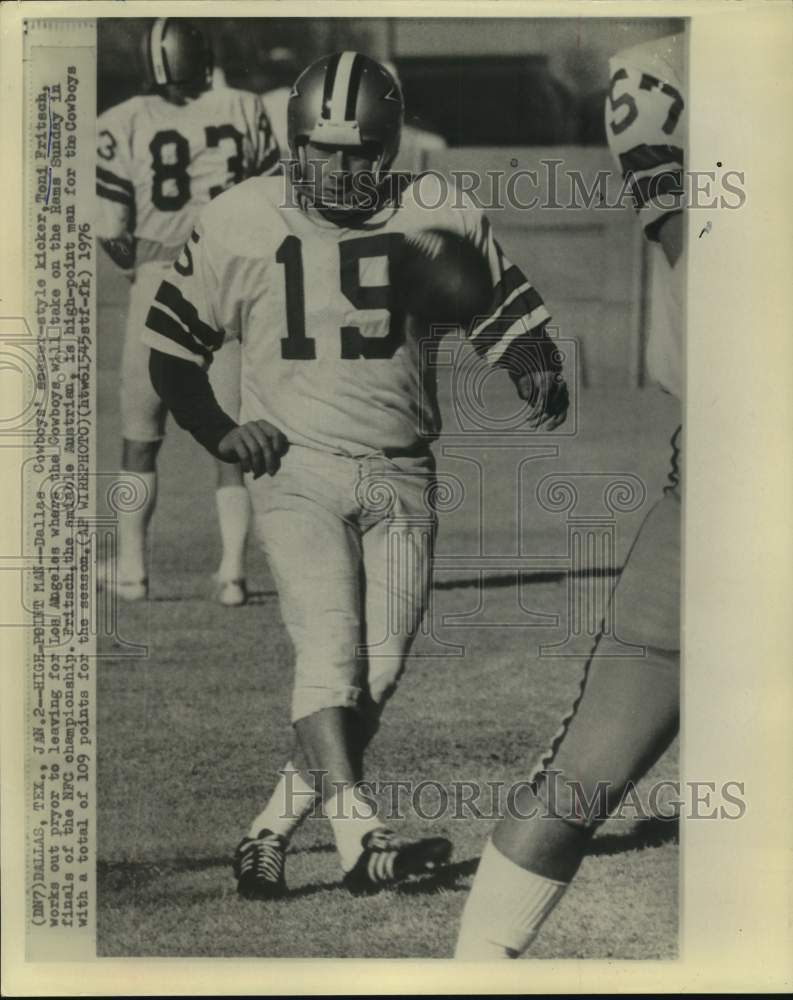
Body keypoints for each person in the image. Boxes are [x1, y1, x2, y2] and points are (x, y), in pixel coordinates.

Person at [143, 51, 568, 898]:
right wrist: (220, 431)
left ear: (390, 147)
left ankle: (268, 831)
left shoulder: (435, 206)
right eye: (323, 149)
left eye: (359, 151)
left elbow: (498, 307)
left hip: (401, 470)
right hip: (295, 466)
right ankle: (360, 842)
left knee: (376, 673)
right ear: (293, 143)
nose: (339, 169)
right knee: (329, 653)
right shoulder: (240, 216)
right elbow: (172, 349)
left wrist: (532, 363)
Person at [455, 31, 685, 958]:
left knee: (580, 773)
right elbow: (705, 256)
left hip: (718, 474)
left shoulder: (668, 68)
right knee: (584, 772)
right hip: (722, 475)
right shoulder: (665, 69)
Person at [95, 17, 281, 605]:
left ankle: (132, 570)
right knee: (229, 431)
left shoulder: (121, 120)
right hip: (227, 277)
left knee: (139, 435)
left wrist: (142, 267)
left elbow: (111, 228)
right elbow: (272, 196)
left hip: (157, 279)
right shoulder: (245, 106)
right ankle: (233, 573)